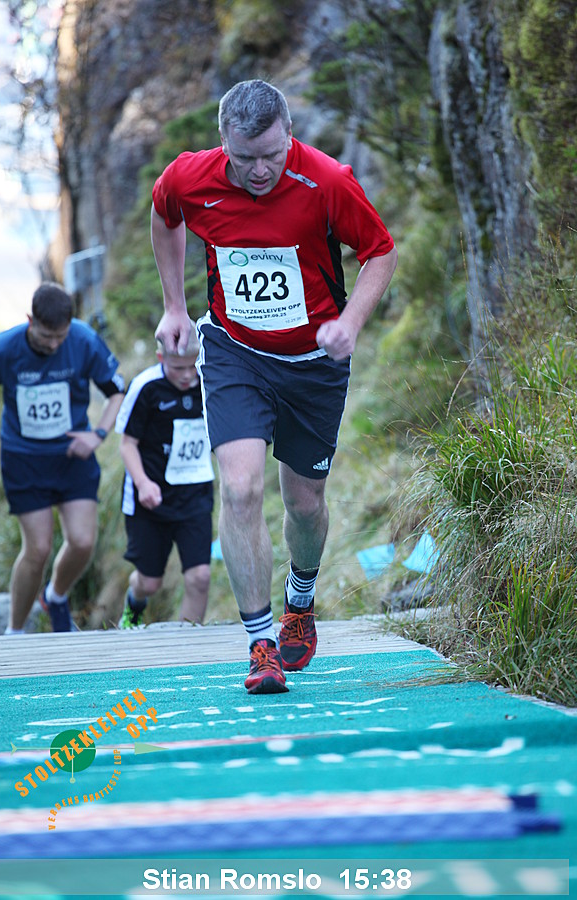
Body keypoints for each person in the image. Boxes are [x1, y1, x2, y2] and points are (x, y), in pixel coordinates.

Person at [151, 79, 397, 694]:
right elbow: (165, 213)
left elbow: (381, 251)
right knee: (239, 489)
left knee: (304, 505)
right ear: (223, 143)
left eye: (271, 154)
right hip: (235, 351)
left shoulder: (327, 182)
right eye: (244, 158)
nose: (259, 171)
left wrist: (350, 323)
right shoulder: (191, 177)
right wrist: (175, 306)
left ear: (289, 134)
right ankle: (260, 645)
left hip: (314, 361)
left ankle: (301, 600)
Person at [0, 282, 125, 633]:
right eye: (46, 336)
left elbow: (117, 392)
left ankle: (55, 597)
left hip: (73, 457)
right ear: (30, 320)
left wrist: (98, 434)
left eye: (61, 336)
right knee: (38, 548)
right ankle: (15, 631)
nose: (54, 344)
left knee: (83, 542)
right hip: (24, 461)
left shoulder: (84, 340)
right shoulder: (1, 350)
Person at [115, 330, 214, 628]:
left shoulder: (211, 380)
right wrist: (143, 483)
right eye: (178, 368)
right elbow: (127, 444)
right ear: (161, 358)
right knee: (149, 582)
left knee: (200, 577)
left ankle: (187, 645)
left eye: (192, 366)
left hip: (195, 495)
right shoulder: (146, 387)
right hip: (150, 498)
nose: (187, 375)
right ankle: (133, 609)